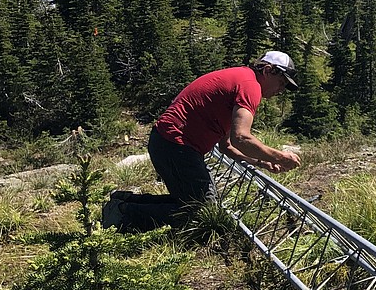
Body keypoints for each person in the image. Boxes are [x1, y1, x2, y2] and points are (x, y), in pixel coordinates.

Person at [105, 51, 303, 230]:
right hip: (177, 144)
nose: (281, 89)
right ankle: (122, 215)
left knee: (190, 202)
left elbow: (227, 145)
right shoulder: (250, 87)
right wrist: (279, 157)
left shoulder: (241, 79)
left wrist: (261, 162)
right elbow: (241, 137)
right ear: (268, 70)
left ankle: (123, 202)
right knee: (201, 212)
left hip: (169, 142)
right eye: (282, 83)